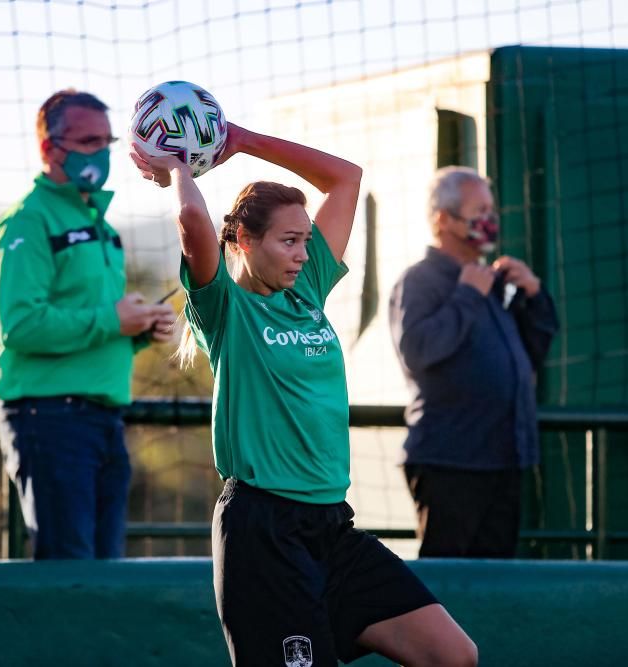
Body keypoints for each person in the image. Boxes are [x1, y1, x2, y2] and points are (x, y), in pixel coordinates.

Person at [130, 127, 477, 666]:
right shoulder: (225, 308)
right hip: (263, 531)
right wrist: (177, 168)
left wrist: (240, 140)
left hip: (331, 527)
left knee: (452, 654)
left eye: (305, 239)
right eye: (287, 241)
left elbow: (346, 178)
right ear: (245, 241)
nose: (301, 253)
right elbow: (194, 222)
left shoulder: (308, 287)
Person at [0, 89, 176, 560]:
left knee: (103, 577)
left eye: (105, 142)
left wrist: (136, 330)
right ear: (50, 148)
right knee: (69, 573)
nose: (100, 153)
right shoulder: (28, 223)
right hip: (49, 420)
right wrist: (113, 321)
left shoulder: (101, 226)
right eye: (88, 142)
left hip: (101, 419)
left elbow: (91, 327)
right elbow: (22, 326)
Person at [389, 166, 559, 559]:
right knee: (446, 586)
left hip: (504, 458)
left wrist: (533, 295)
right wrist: (467, 295)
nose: (489, 219)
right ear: (443, 220)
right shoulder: (420, 280)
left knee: (493, 583)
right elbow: (418, 351)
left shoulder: (492, 281)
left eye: (491, 209)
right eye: (478, 209)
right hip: (451, 460)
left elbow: (532, 351)